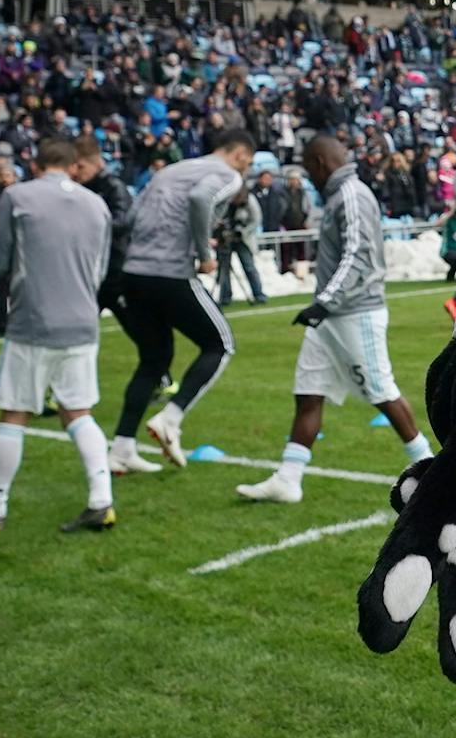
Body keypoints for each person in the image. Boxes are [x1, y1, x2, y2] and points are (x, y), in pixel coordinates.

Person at [237, 134, 433, 505]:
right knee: (308, 393)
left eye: (310, 170)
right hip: (332, 316)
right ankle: (288, 478)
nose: (310, 178)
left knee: (382, 391)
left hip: (355, 312)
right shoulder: (342, 196)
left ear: (321, 163)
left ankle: (429, 467)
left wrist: (325, 301)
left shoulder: (352, 195)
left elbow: (358, 256)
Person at [0, 139, 118, 535]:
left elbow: (0, 259)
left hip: (33, 320)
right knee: (78, 411)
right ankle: (101, 500)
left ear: (35, 162)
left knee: (14, 413)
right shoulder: (97, 204)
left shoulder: (17, 196)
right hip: (82, 321)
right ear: (74, 166)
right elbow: (101, 269)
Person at [109, 129, 254, 472]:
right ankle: (171, 419)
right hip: (169, 272)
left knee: (154, 360)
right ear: (241, 155)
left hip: (134, 272)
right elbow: (202, 199)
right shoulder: (227, 175)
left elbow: (129, 217)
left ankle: (121, 449)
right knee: (220, 344)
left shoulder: (170, 170)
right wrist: (203, 253)